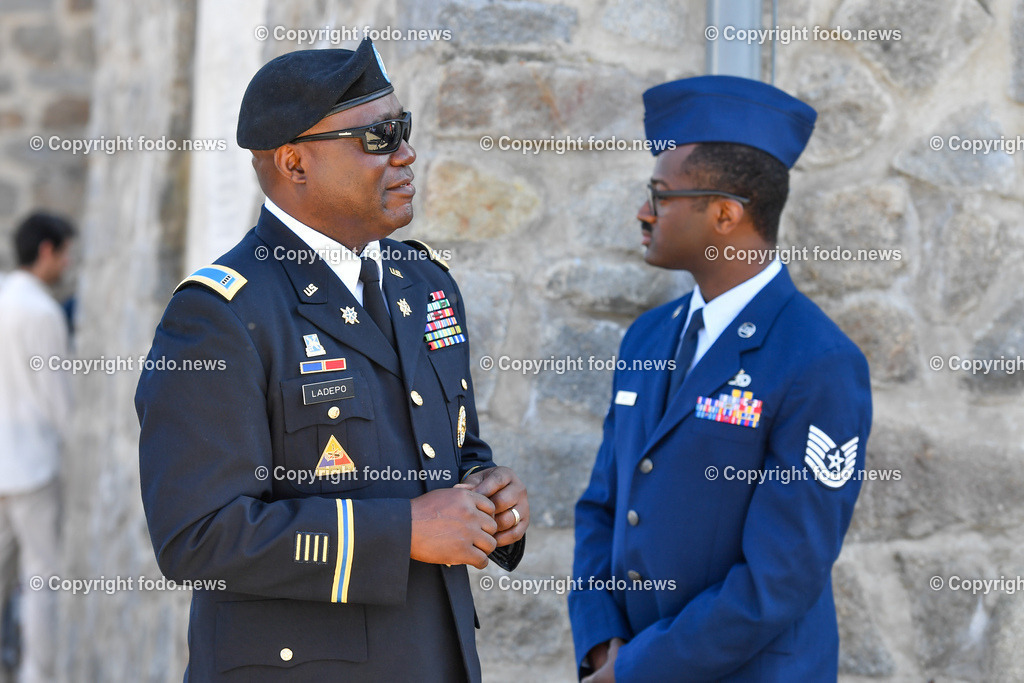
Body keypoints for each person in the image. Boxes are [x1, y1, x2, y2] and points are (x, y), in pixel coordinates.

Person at [135, 39, 528, 682]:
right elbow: (198, 537)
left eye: (404, 128)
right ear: (294, 163)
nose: (406, 153)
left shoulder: (422, 284)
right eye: (378, 137)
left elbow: (450, 454)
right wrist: (400, 531)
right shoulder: (220, 315)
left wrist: (488, 497)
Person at [569, 75, 872, 682]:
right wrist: (603, 640)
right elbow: (603, 505)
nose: (643, 211)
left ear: (726, 214)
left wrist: (637, 670)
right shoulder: (648, 337)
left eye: (660, 194)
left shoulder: (818, 361)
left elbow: (778, 577)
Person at [0, 212, 75, 683]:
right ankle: (38, 676)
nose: (68, 264)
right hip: (32, 470)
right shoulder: (42, 312)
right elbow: (60, 404)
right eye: (65, 252)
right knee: (41, 581)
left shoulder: (4, 298)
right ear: (47, 251)